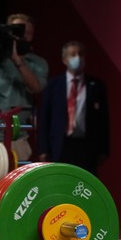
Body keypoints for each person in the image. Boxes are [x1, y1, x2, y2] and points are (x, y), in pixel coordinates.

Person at [0, 13, 48, 161]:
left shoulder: (38, 63)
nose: (23, 37)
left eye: (28, 33)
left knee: (17, 183)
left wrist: (16, 59)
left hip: (17, 138)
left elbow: (36, 87)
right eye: (19, 32)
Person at [37, 40, 109, 176]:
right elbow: (44, 119)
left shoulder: (96, 85)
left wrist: (103, 150)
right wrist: (43, 149)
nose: (78, 58)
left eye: (80, 54)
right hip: (60, 145)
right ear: (65, 59)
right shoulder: (53, 85)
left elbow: (103, 121)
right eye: (73, 54)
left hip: (86, 146)